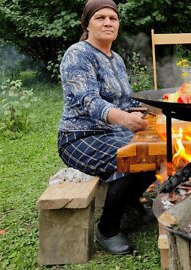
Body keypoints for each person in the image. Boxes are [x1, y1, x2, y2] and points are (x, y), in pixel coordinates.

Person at [57, 0, 156, 255]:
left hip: (113, 133)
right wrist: (124, 119)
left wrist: (156, 108)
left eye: (112, 18)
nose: (108, 22)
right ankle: (108, 229)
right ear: (87, 24)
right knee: (132, 156)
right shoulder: (78, 53)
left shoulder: (117, 59)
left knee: (158, 151)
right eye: (100, 17)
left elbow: (126, 100)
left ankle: (130, 205)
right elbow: (88, 100)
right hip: (79, 136)